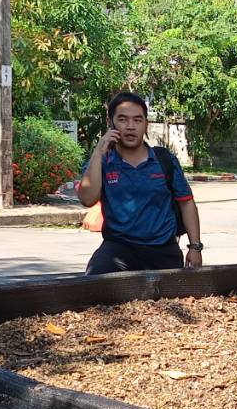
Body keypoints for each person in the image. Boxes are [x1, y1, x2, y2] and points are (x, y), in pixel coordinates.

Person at [77, 92, 203, 274]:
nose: (130, 127)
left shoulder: (164, 160)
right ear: (110, 122)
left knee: (174, 300)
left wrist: (195, 247)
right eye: (122, 119)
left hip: (164, 250)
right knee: (94, 284)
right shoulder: (102, 162)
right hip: (118, 249)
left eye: (137, 120)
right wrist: (98, 152)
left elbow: (187, 203)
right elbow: (87, 199)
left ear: (146, 124)